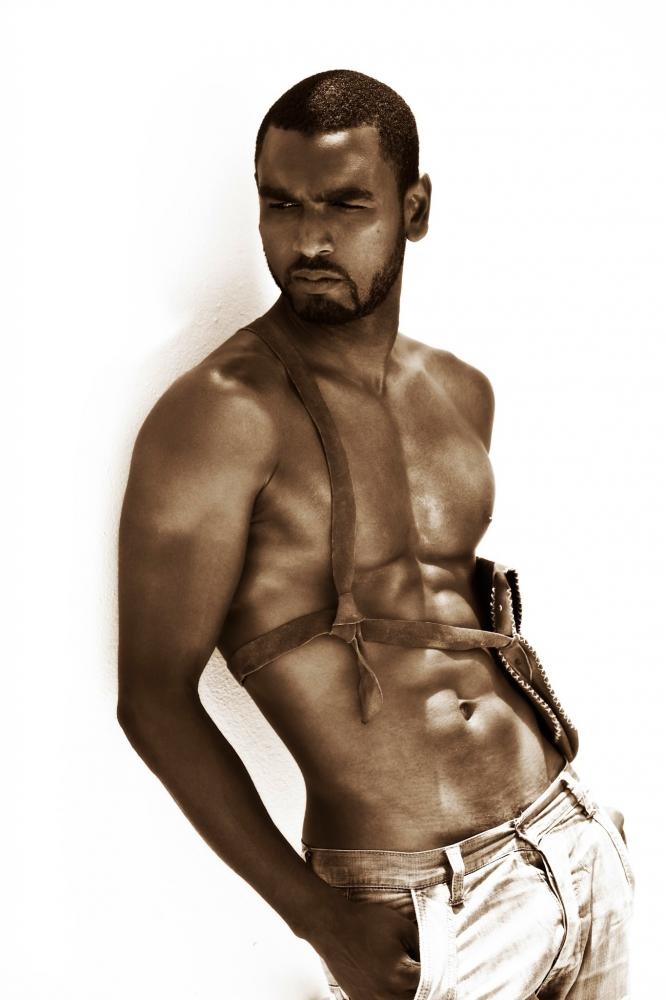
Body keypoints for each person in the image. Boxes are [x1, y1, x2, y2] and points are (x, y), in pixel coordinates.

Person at [117, 70, 633, 999]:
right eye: (280, 203)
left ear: (414, 209)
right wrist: (321, 922)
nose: (308, 239)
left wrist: (583, 841)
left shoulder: (461, 391)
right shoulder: (221, 416)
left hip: (574, 845)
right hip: (415, 908)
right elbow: (152, 699)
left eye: (346, 204)